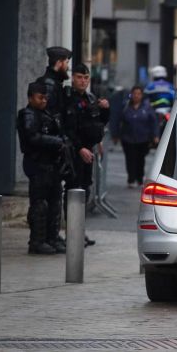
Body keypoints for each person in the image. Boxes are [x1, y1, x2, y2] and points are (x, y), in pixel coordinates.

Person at [62, 64, 109, 247]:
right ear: (73, 78)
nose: (83, 81)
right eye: (80, 77)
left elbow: (97, 124)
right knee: (73, 191)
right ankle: (71, 233)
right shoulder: (67, 98)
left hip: (88, 151)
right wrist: (80, 147)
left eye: (86, 78)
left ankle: (79, 231)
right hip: (73, 152)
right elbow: (68, 128)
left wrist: (105, 110)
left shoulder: (90, 98)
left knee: (85, 191)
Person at [16, 82, 66, 255]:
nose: (44, 100)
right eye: (40, 97)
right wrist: (56, 142)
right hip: (37, 164)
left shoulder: (47, 114)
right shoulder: (27, 114)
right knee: (40, 204)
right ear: (31, 97)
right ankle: (37, 241)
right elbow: (32, 137)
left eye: (45, 97)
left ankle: (51, 237)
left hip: (51, 165)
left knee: (54, 202)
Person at [113, 86, 158, 187]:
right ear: (131, 95)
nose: (136, 96)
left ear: (142, 95)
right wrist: (115, 134)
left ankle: (139, 178)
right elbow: (117, 120)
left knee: (140, 159)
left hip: (143, 138)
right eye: (134, 93)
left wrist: (155, 135)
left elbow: (153, 121)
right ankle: (131, 179)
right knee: (130, 159)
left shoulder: (147, 107)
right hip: (127, 138)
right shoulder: (125, 106)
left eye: (138, 94)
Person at [35, 46, 72, 117]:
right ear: (59, 63)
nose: (68, 67)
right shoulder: (49, 85)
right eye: (66, 62)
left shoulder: (56, 83)